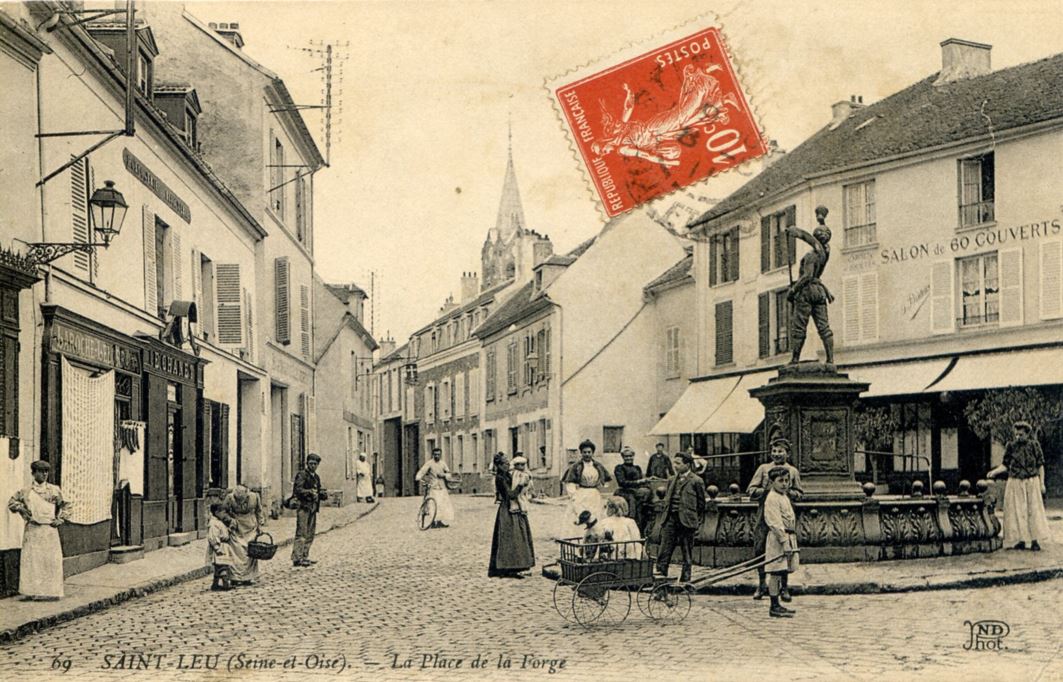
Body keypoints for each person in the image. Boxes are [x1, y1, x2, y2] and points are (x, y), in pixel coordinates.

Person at [747, 436, 804, 600]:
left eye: (780, 451)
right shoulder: (764, 469)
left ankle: (784, 587)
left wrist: (786, 491)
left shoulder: (792, 471)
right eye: (774, 451)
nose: (776, 454)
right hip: (764, 515)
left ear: (787, 453)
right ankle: (761, 584)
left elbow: (799, 493)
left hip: (785, 514)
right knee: (760, 548)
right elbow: (750, 490)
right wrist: (766, 492)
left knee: (784, 550)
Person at [7, 460, 70, 600]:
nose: (44, 474)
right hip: (33, 530)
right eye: (41, 471)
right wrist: (22, 509)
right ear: (33, 473)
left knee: (50, 561)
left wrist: (61, 519)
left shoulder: (54, 490)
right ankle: (30, 592)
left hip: (49, 531)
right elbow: (12, 503)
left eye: (46, 471)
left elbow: (66, 505)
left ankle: (51, 593)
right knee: (32, 561)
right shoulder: (26, 491)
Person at [988, 421, 1050, 551]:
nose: (1018, 437)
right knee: (1017, 511)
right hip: (1015, 481)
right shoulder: (1011, 446)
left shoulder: (1034, 445)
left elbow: (1040, 465)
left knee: (1033, 511)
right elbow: (1005, 465)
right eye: (1016, 434)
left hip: (1031, 481)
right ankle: (1021, 540)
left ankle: (1034, 541)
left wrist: (1042, 483)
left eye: (1021, 434)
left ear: (1027, 434)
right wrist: (994, 472)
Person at [785, 205, 835, 365]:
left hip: (806, 292)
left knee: (799, 326)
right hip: (819, 292)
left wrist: (793, 290)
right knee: (824, 327)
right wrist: (800, 232)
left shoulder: (811, 256)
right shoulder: (825, 253)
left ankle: (794, 359)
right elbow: (814, 241)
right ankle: (830, 359)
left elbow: (807, 276)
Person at [654, 452, 706, 583]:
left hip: (686, 522)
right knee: (663, 552)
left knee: (686, 553)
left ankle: (685, 581)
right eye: (674, 463)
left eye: (678, 463)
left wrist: (693, 518)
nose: (675, 466)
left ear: (687, 465)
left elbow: (701, 504)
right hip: (670, 519)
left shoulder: (696, 481)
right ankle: (660, 582)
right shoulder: (672, 480)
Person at [488, 453, 535, 578]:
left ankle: (518, 565)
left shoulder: (508, 474)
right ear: (498, 465)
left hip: (515, 508)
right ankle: (507, 567)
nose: (508, 465)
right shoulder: (500, 478)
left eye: (508, 462)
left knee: (518, 536)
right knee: (509, 538)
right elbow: (510, 495)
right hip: (507, 510)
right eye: (505, 463)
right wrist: (520, 485)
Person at [763, 466, 800, 618]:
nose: (784, 484)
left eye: (787, 481)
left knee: (782, 570)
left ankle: (777, 604)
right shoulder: (772, 498)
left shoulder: (783, 496)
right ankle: (774, 605)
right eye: (780, 481)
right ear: (772, 482)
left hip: (788, 536)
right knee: (776, 572)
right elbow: (775, 522)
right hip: (778, 539)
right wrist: (784, 542)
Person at [561, 440, 612, 531]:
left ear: (592, 453)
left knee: (596, 515)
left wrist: (601, 484)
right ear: (581, 453)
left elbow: (606, 480)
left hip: (594, 494)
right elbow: (570, 482)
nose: (587, 454)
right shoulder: (576, 466)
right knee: (580, 514)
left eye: (589, 452)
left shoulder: (598, 466)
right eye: (584, 452)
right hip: (581, 493)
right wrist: (574, 495)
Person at [221, 484, 266, 585]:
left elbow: (259, 511)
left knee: (250, 552)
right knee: (236, 551)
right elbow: (222, 512)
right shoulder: (229, 498)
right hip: (237, 527)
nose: (240, 501)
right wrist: (230, 520)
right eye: (237, 499)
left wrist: (260, 524)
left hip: (251, 527)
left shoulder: (255, 497)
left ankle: (248, 577)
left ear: (247, 494)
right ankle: (235, 577)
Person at [291, 453, 327, 567]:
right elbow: (298, 490)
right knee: (301, 533)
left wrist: (322, 494)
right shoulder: (302, 475)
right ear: (307, 463)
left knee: (310, 534)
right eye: (311, 463)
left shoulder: (316, 477)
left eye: (315, 464)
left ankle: (305, 556)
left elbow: (319, 490)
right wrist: (309, 492)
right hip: (303, 507)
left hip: (313, 508)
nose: (313, 466)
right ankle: (297, 558)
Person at [416, 448, 455, 528]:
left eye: (438, 454)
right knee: (434, 504)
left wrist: (444, 475)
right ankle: (433, 522)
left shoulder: (443, 463)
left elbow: (448, 473)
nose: (437, 456)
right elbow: (422, 471)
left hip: (442, 487)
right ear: (433, 455)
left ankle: (440, 521)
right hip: (433, 487)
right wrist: (419, 478)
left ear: (440, 455)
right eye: (435, 454)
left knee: (443, 504)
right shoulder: (429, 463)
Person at [613, 446, 646, 528]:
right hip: (626, 493)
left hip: (637, 493)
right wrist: (637, 482)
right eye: (626, 456)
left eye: (630, 456)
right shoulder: (619, 468)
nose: (629, 458)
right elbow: (622, 482)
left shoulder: (637, 468)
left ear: (633, 456)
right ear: (623, 457)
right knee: (631, 514)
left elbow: (641, 481)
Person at [206, 502, 233, 592]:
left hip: (223, 545)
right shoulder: (214, 524)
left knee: (218, 567)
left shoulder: (218, 522)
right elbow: (212, 537)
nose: (224, 515)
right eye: (223, 513)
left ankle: (215, 584)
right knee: (222, 566)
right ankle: (226, 583)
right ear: (217, 512)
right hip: (219, 546)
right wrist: (217, 548)